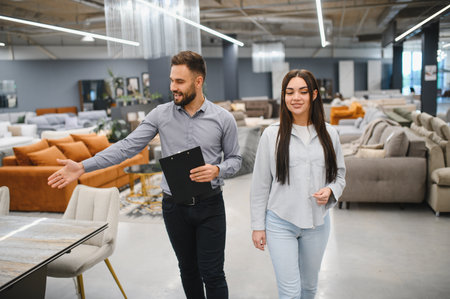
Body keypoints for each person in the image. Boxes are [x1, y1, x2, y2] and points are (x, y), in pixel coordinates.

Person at [48, 51, 242, 299]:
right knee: (188, 270)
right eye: (172, 80)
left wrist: (217, 169)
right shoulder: (160, 114)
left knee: (213, 273)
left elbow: (236, 160)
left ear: (198, 81)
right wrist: (83, 166)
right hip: (175, 207)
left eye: (179, 82)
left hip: (210, 206)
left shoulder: (223, 119)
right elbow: (127, 146)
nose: (173, 87)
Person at [250, 69, 346, 299]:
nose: (296, 97)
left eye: (303, 92)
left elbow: (340, 176)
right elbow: (260, 184)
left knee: (309, 289)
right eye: (290, 92)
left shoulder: (329, 134)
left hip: (317, 223)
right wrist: (257, 225)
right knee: (290, 293)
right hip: (280, 223)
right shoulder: (271, 135)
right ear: (283, 96)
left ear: (313, 95)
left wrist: (331, 190)